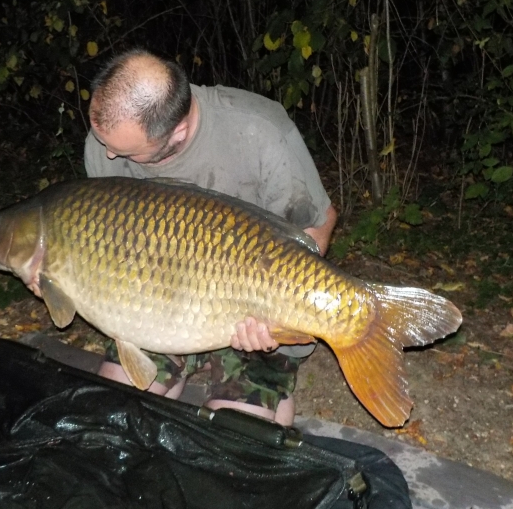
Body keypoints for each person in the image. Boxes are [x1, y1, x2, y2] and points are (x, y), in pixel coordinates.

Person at [84, 49, 337, 426]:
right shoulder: (105, 144)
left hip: (249, 303)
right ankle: (182, 367)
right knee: (113, 418)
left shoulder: (259, 129)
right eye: (105, 142)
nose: (106, 154)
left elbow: (318, 225)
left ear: (178, 132)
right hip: (159, 304)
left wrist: (276, 324)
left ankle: (265, 393)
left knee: (235, 443)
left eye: (123, 152)